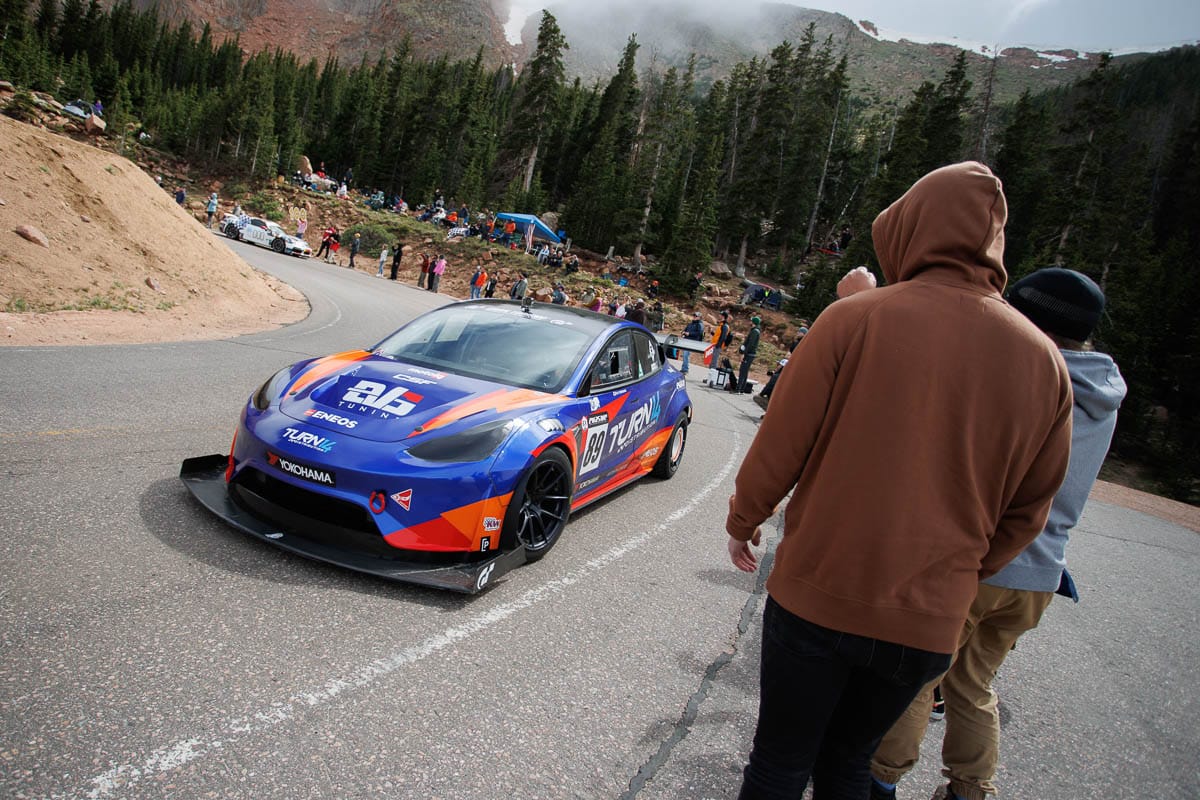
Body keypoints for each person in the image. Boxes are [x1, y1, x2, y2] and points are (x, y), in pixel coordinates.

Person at [724, 161, 1073, 800]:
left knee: (779, 761)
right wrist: (961, 568)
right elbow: (1030, 510)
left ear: (912, 228)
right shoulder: (1045, 362)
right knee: (851, 765)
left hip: (819, 591)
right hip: (929, 617)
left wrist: (744, 519)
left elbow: (782, 443)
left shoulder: (855, 319)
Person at [869, 267, 1126, 800]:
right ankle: (969, 789)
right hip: (1040, 575)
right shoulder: (1103, 392)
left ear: (1030, 316)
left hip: (983, 563)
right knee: (973, 685)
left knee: (917, 677)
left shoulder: (1027, 373)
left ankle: (879, 781)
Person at [706, 310, 731, 386]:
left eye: (720, 315)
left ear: (723, 316)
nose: (719, 316)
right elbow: (718, 336)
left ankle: (712, 379)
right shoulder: (721, 325)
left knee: (714, 362)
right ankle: (709, 378)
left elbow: (723, 337)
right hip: (715, 345)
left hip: (717, 346)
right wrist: (712, 332)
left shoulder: (724, 326)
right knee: (712, 361)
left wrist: (718, 345)